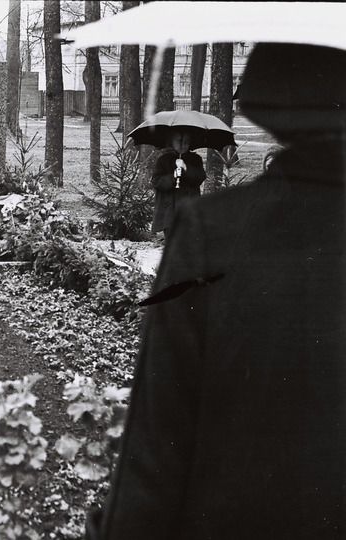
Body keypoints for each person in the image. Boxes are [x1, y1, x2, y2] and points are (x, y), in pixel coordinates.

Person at [86, 42, 346, 540]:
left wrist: (190, 174)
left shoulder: (218, 232)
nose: (182, 144)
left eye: (185, 142)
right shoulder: (174, 171)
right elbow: (162, 179)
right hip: (174, 207)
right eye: (180, 142)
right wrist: (172, 174)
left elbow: (156, 446)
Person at [149, 128, 205, 235]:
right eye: (179, 141)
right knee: (171, 234)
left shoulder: (195, 159)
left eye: (187, 141)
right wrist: (173, 176)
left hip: (189, 202)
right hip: (170, 206)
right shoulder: (164, 160)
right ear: (172, 141)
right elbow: (156, 182)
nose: (183, 144)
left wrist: (186, 168)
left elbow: (200, 177)